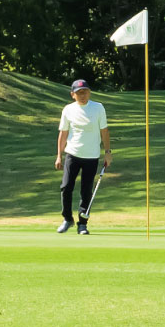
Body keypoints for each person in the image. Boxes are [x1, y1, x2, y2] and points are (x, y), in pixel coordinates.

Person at [55, 80, 111, 235]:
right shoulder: (68, 110)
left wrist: (108, 152)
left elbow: (104, 131)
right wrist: (59, 156)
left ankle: (82, 224)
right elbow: (63, 133)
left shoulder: (98, 108)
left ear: (89, 92)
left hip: (92, 156)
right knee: (66, 187)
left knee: (86, 191)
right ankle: (67, 219)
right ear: (73, 95)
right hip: (72, 154)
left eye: (85, 92)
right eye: (79, 93)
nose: (83, 95)